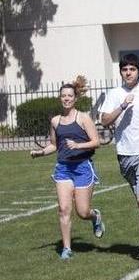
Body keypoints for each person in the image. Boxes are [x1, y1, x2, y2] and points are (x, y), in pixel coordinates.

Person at [30, 77, 105, 260]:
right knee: (64, 209)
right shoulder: (56, 121)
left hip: (82, 168)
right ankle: (67, 249)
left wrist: (78, 146)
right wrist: (40, 153)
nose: (66, 99)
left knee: (82, 212)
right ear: (60, 98)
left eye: (69, 96)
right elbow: (54, 145)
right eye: (63, 96)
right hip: (63, 169)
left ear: (75, 98)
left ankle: (95, 217)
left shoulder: (83, 118)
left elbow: (97, 142)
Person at [100, 54, 139, 265]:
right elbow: (105, 120)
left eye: (132, 69)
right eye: (125, 69)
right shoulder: (114, 94)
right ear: (121, 72)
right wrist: (122, 107)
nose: (128, 72)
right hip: (124, 153)